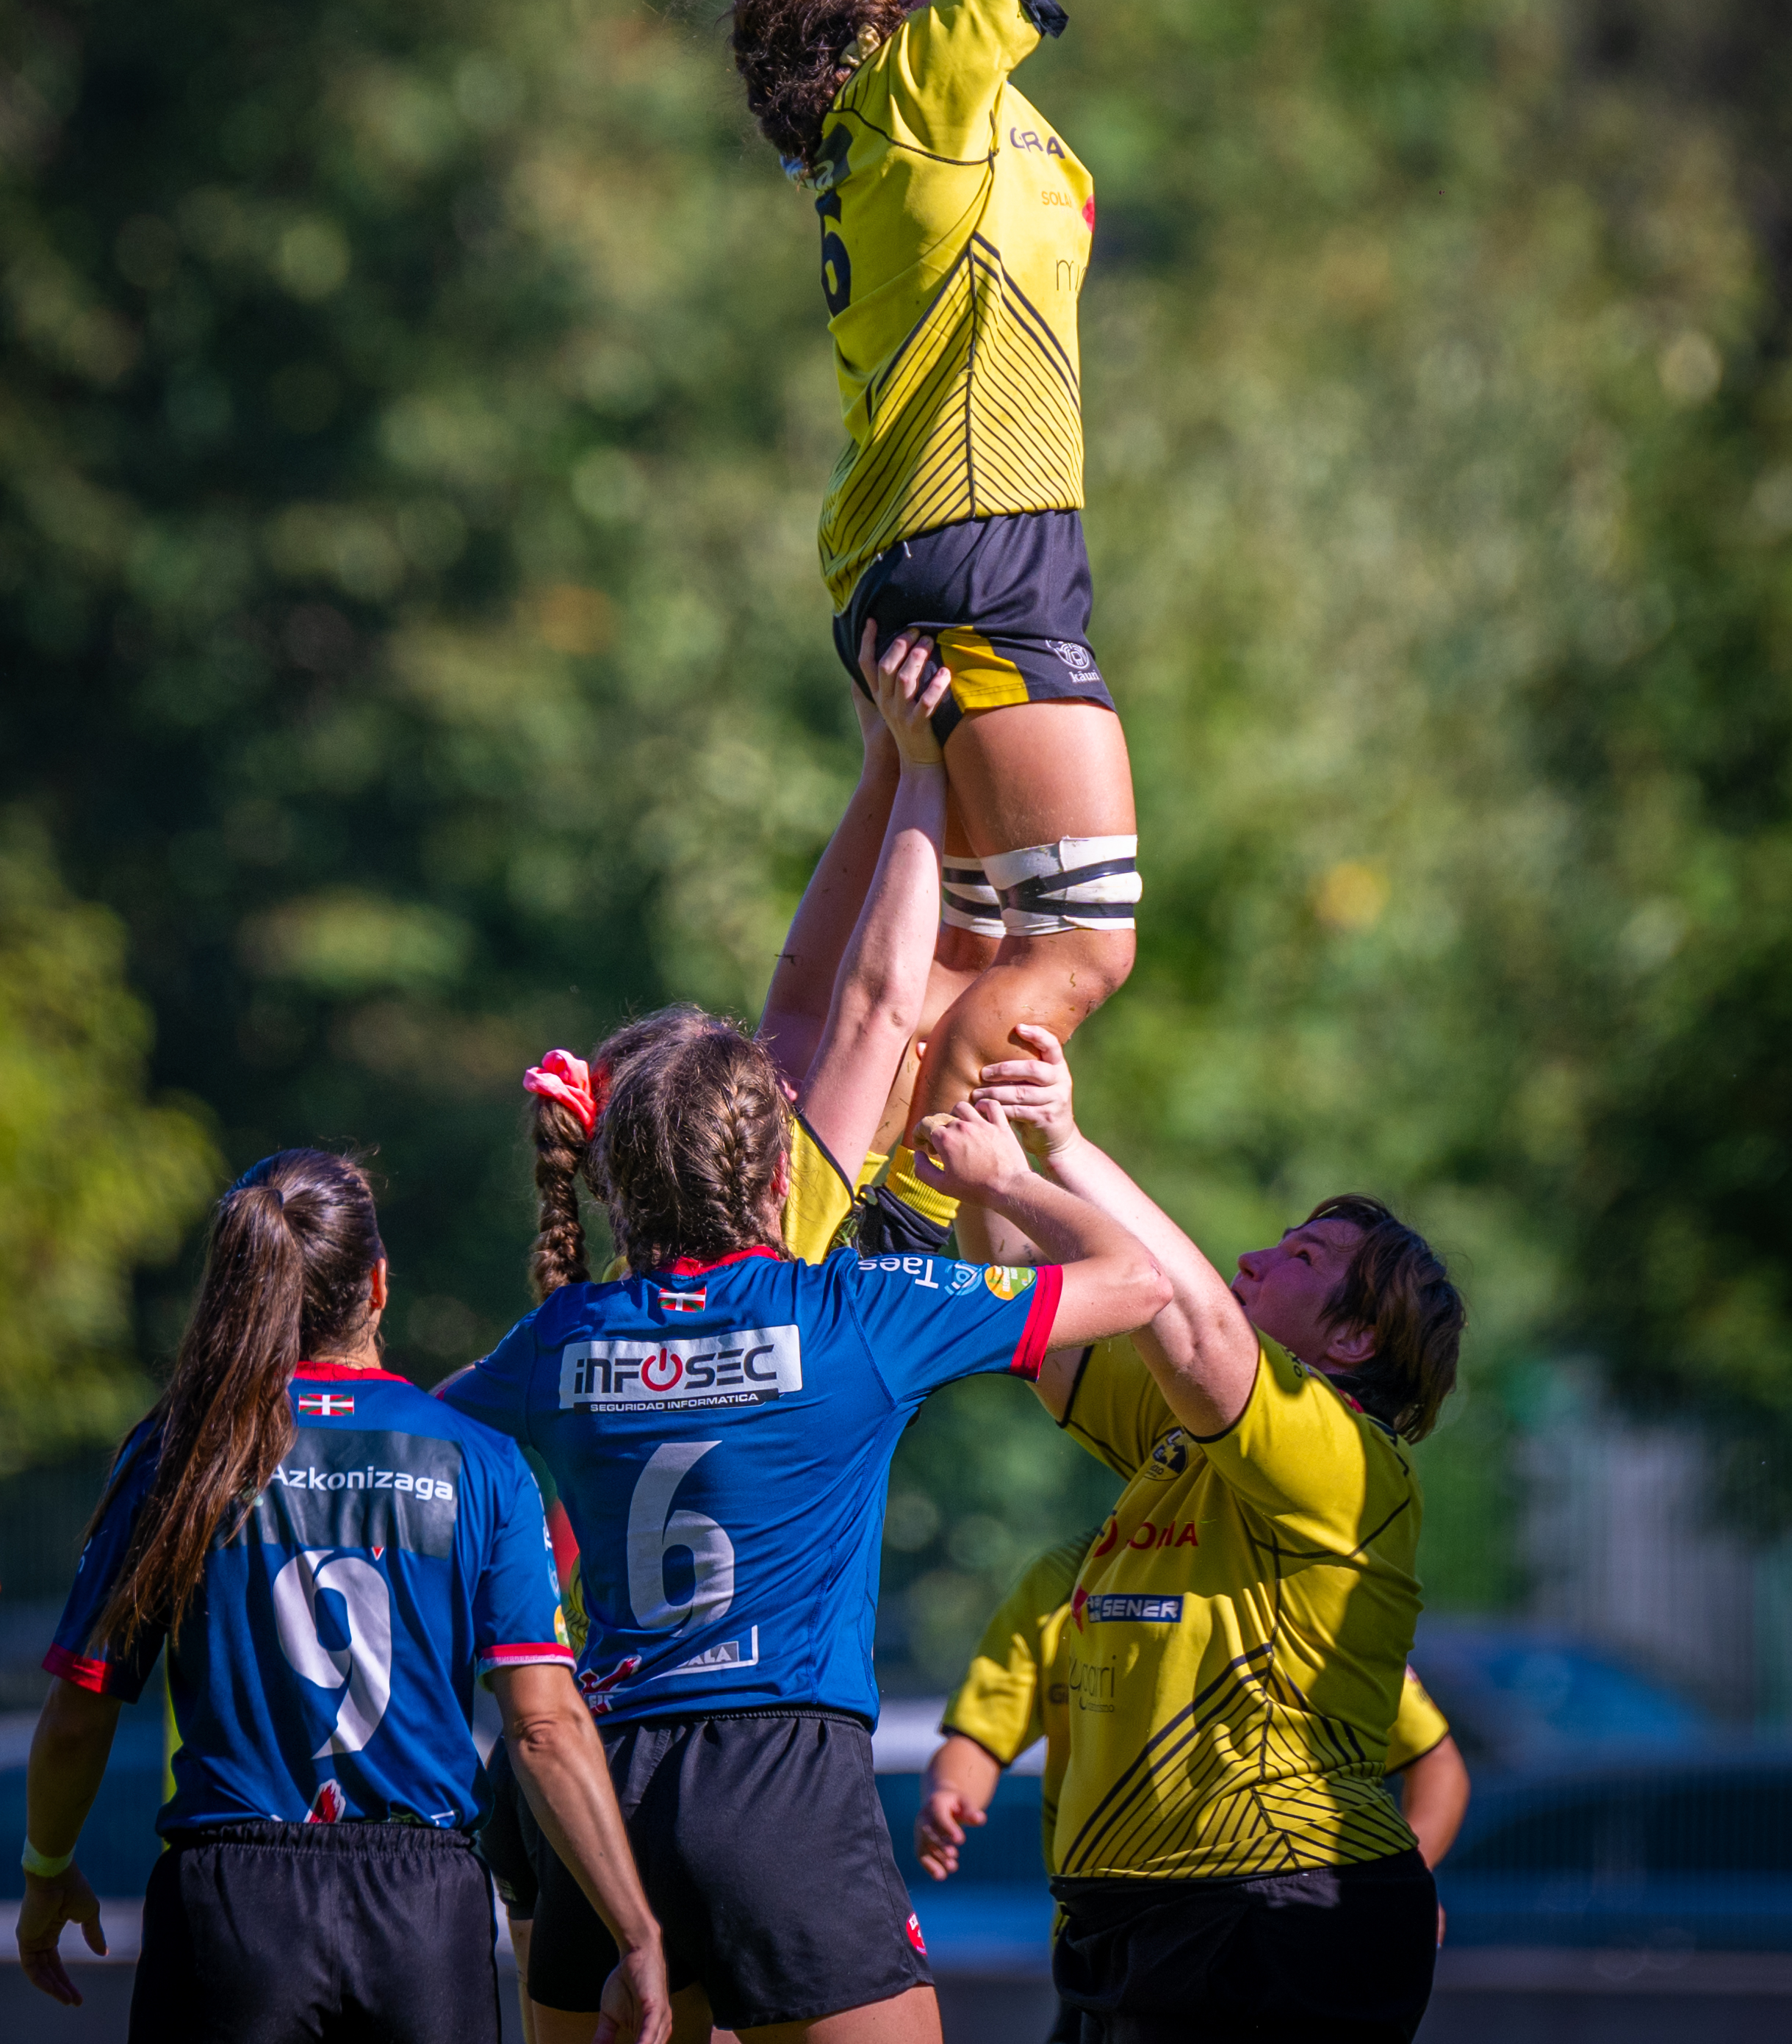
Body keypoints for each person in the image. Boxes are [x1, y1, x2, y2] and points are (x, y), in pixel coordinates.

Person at [442, 641, 1170, 2044]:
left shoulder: (558, 1334)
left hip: (585, 1786)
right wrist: (1016, 1170)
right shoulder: (845, 1317)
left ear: (602, 1178)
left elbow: (397, 1431)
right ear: (777, 1173)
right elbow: (1129, 1273)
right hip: (774, 1783)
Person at [724, 0, 1181, 1247]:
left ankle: (813, 1210)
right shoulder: (927, 95)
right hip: (977, 560)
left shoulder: (888, 108)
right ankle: (912, 1209)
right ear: (881, 24)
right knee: (1077, 948)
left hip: (923, 558)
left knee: (988, 958)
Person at [15, 1150, 671, 2044]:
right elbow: (545, 1726)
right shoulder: (477, 1459)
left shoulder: (180, 1454)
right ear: (378, 1281)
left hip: (229, 1902)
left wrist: (47, 1863)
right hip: (422, 1911)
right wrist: (636, 1931)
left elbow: (80, 1709)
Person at [925, 1028, 1466, 2044]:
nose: (1253, 1257)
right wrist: (978, 1140)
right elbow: (1028, 1305)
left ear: (1351, 1339)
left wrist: (1058, 1147)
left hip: (1276, 1904)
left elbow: (1197, 1319)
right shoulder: (1187, 1434)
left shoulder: (1345, 1454)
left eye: (1298, 1257)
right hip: (1137, 1915)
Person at [915, 1543, 1469, 1895]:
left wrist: (1394, 1887)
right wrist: (950, 1793)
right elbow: (980, 1737)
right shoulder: (1062, 1578)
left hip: (1271, 1929)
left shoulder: (1285, 1577)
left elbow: (1435, 1762)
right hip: (1098, 1937)